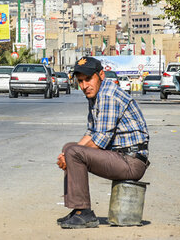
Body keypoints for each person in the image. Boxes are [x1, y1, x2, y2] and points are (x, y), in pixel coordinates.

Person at [56, 56, 149, 229]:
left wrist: (69, 156)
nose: (84, 86)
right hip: (119, 156)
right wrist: (66, 154)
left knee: (73, 152)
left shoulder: (108, 95)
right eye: (80, 81)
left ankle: (84, 213)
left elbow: (100, 140)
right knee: (69, 148)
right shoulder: (95, 96)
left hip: (131, 161)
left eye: (88, 79)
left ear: (101, 75)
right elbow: (91, 132)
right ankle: (77, 210)